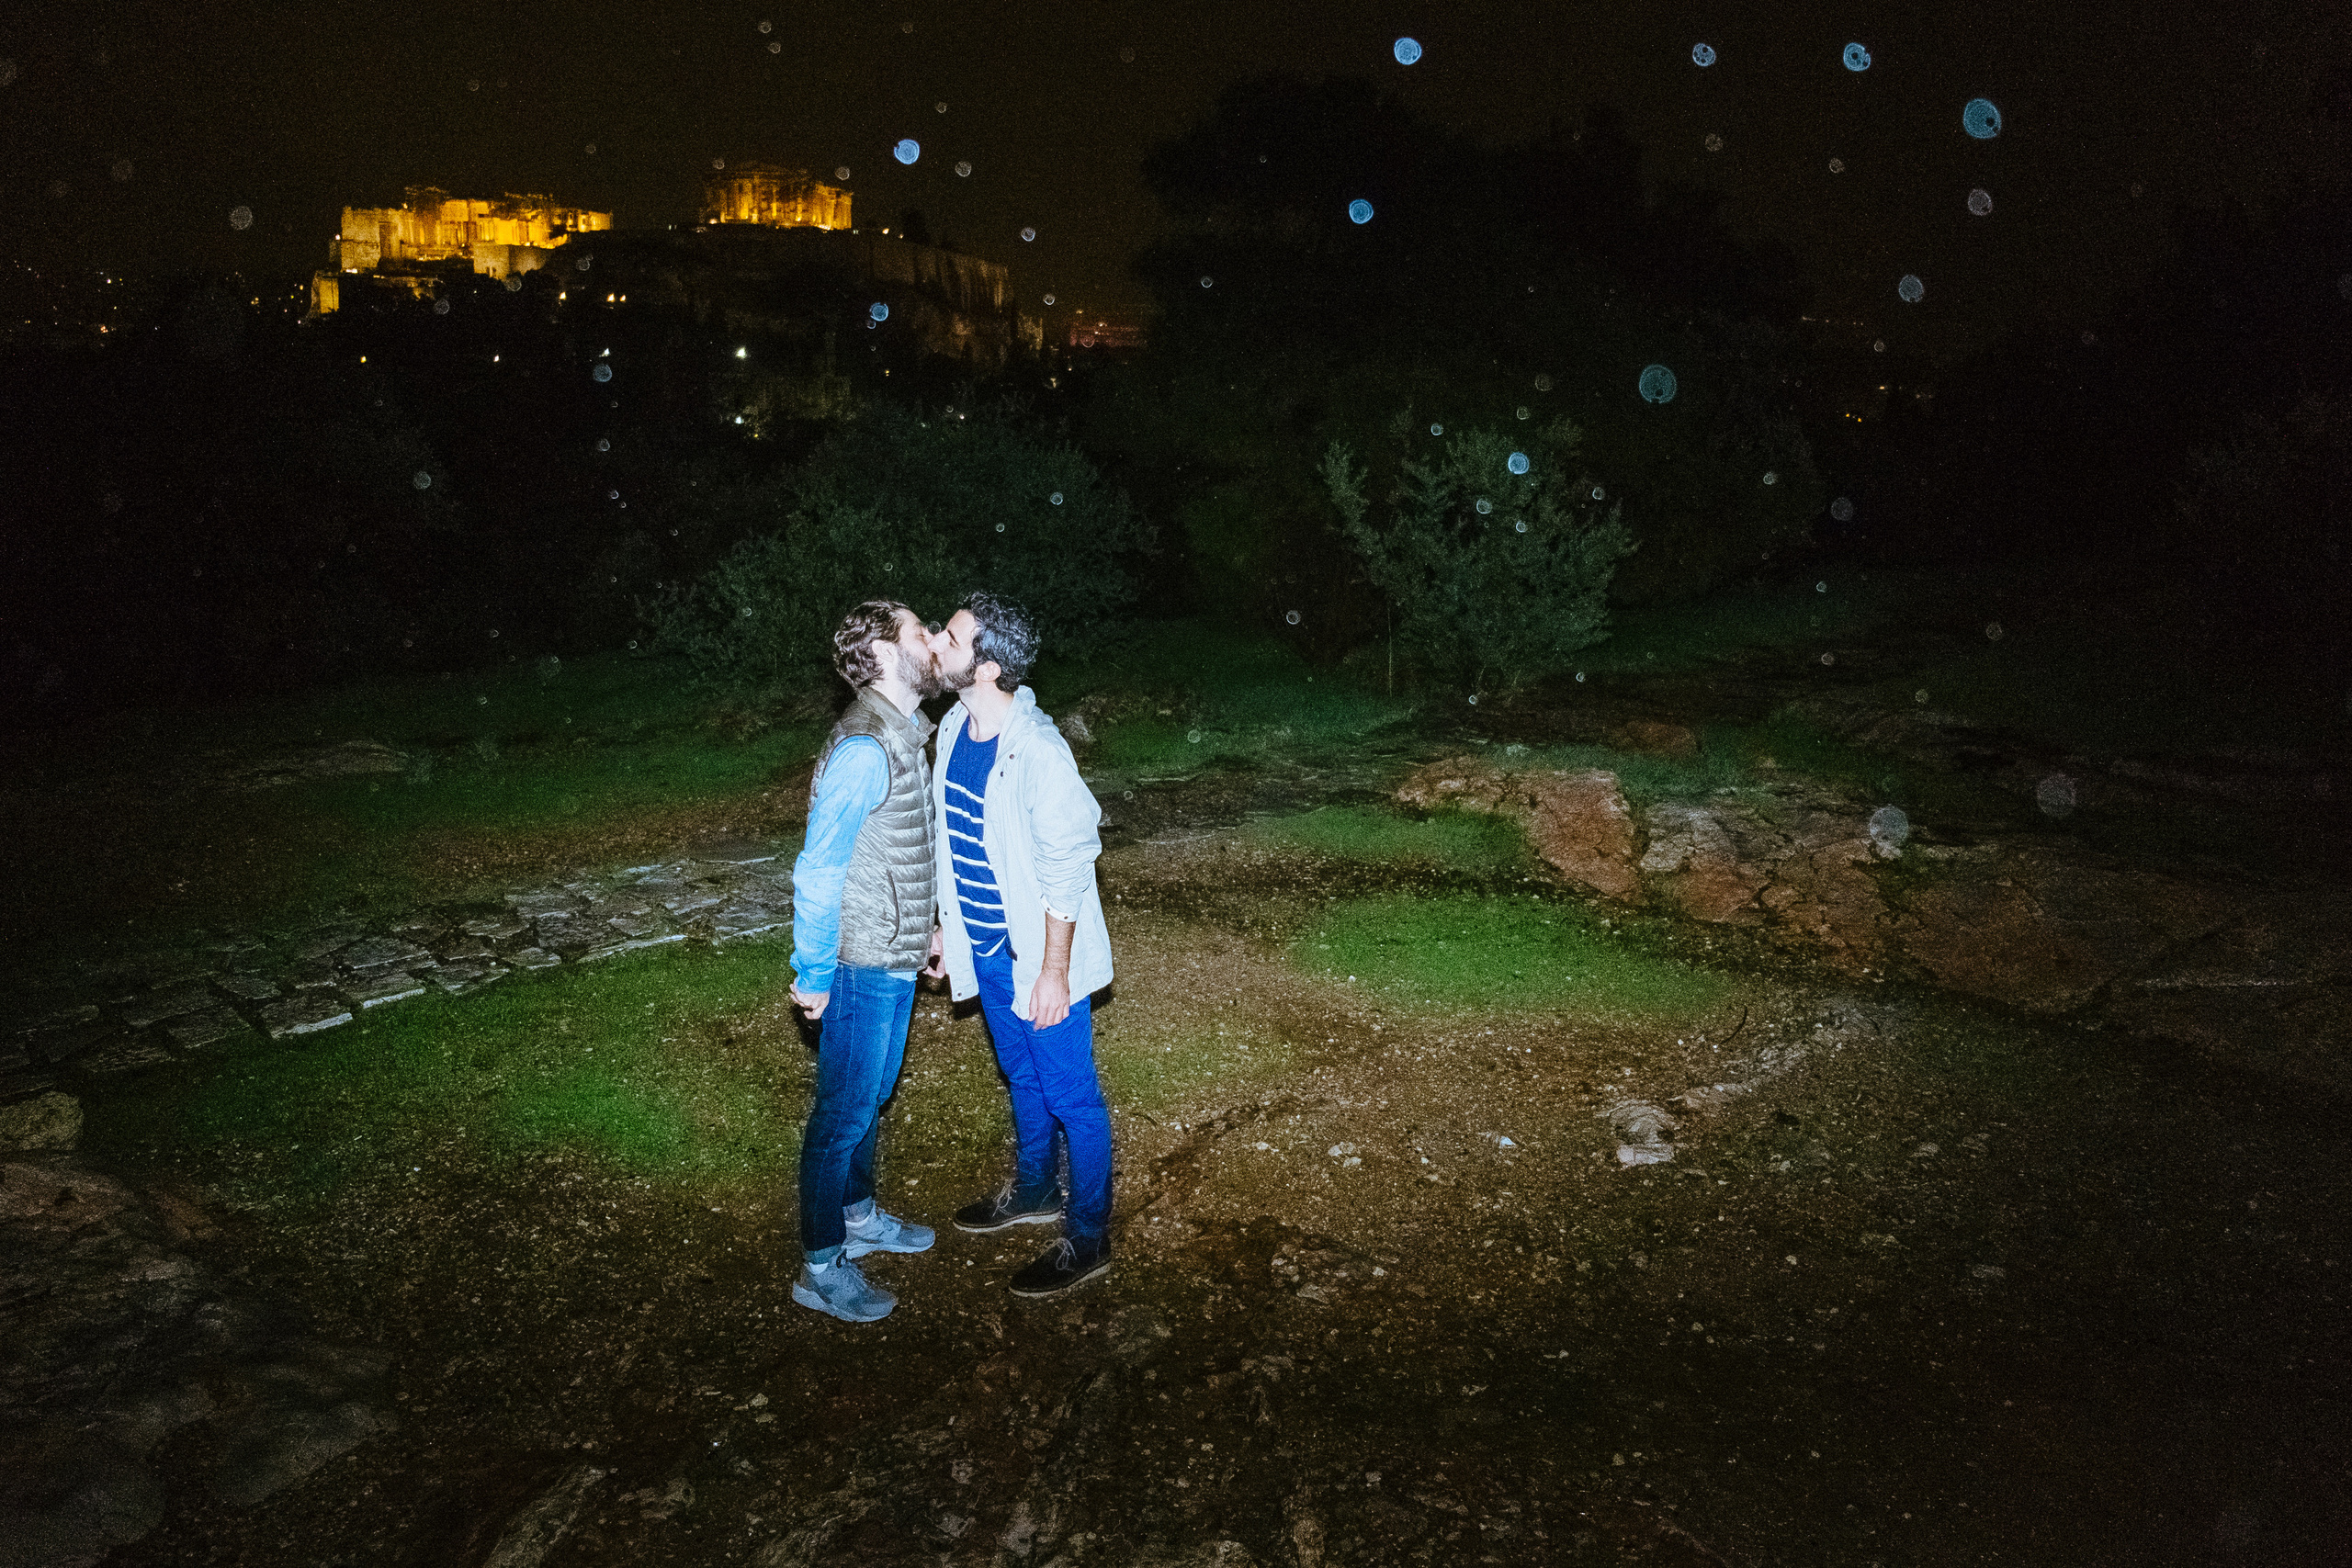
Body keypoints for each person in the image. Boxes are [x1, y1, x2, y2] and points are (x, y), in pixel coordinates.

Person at [927, 592, 1118, 1298]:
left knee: (1073, 1096)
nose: (937, 643)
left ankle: (1089, 1234)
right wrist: (950, 927)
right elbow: (960, 845)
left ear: (988, 666)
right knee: (1022, 1074)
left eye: (950, 637)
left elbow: (1069, 865)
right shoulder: (952, 730)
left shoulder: (1038, 751)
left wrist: (1055, 973)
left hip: (1040, 962)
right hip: (986, 949)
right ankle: (1037, 1188)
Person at [786, 600, 944, 1323]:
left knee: (870, 1094)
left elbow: (907, 843)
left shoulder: (905, 732)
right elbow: (819, 872)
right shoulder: (864, 749)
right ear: (883, 653)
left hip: (896, 947)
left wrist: (931, 925)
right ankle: (821, 1265)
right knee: (842, 1113)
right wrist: (813, 972)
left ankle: (856, 1213)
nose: (934, 640)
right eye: (920, 632)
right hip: (859, 959)